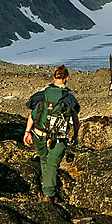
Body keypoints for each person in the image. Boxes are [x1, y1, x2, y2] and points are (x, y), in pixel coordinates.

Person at [24, 64, 80, 202]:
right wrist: (76, 135)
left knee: (44, 159)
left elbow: (32, 115)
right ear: (67, 78)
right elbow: (75, 119)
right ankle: (48, 194)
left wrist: (27, 132)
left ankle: (45, 188)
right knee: (53, 163)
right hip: (58, 135)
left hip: (39, 132)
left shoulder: (42, 93)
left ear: (54, 77)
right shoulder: (69, 96)